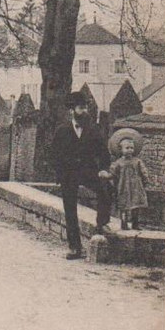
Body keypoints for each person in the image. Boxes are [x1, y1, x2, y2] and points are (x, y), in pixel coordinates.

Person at [52, 91, 113, 260]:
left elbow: (104, 153)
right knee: (70, 209)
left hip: (89, 171)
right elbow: (54, 154)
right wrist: (59, 174)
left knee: (106, 189)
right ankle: (74, 247)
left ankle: (101, 224)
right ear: (72, 110)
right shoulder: (62, 131)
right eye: (80, 108)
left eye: (86, 107)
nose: (84, 111)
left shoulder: (93, 130)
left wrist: (104, 169)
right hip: (68, 174)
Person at [109, 127, 149, 230]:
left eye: (131, 148)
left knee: (136, 206)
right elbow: (113, 173)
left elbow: (143, 171)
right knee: (124, 206)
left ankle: (135, 224)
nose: (130, 150)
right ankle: (124, 223)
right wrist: (109, 178)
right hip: (123, 187)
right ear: (120, 149)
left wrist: (145, 179)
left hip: (136, 187)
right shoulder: (118, 163)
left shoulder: (137, 161)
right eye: (127, 148)